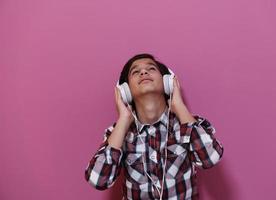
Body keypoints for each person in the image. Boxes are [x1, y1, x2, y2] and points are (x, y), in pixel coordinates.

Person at [85, 53, 224, 200]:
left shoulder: (188, 124)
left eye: (151, 69)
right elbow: (98, 180)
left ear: (167, 83)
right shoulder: (117, 134)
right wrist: (124, 120)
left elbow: (211, 158)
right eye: (135, 72)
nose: (143, 72)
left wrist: (179, 106)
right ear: (125, 91)